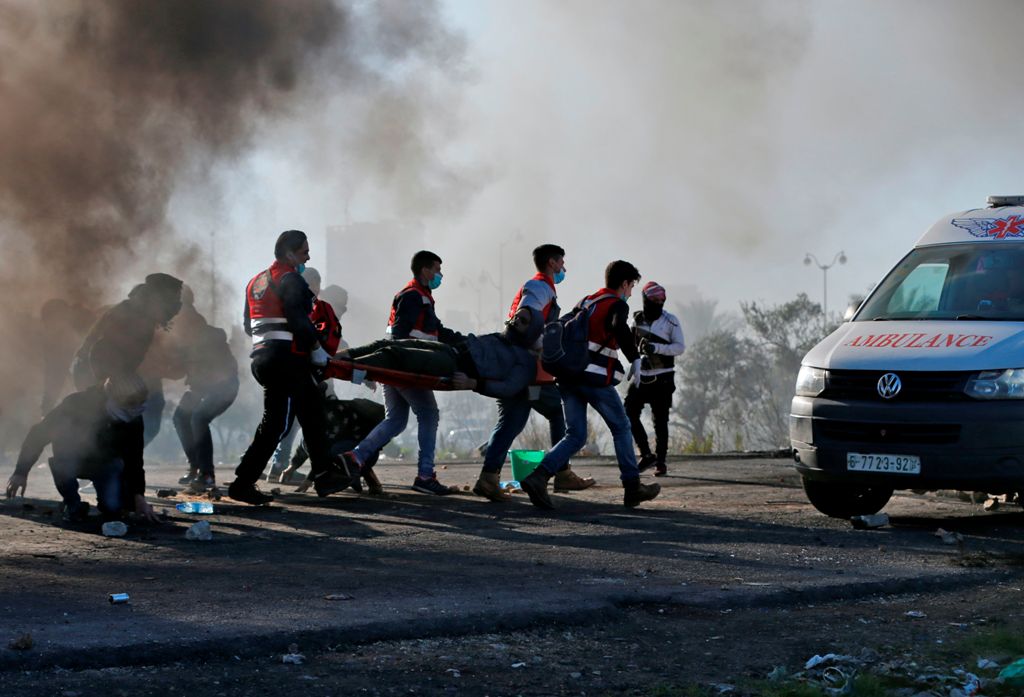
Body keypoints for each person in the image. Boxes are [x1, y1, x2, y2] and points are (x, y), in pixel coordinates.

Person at [519, 260, 661, 509]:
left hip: (567, 377)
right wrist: (635, 359)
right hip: (594, 377)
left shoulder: (587, 301)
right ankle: (632, 486)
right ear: (624, 283)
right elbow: (619, 327)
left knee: (575, 435)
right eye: (631, 287)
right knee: (621, 427)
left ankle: (537, 476)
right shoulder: (616, 304)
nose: (630, 293)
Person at [230, 230, 352, 505]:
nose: (307, 256)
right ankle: (324, 475)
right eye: (303, 251)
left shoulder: (255, 281)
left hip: (263, 359)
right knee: (312, 412)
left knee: (274, 424)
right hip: (288, 358)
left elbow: (250, 325)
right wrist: (316, 348)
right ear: (289, 254)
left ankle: (243, 482)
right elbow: (299, 319)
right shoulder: (290, 278)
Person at [474, 244, 594, 503]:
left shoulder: (542, 288)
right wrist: (546, 348)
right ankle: (560, 472)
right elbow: (525, 322)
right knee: (551, 415)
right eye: (561, 261)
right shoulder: (539, 287)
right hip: (528, 370)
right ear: (552, 262)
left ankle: (489, 478)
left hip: (527, 369)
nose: (564, 267)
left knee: (513, 422)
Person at [340, 250, 464, 495]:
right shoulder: (412, 297)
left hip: (397, 367)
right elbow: (399, 335)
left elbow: (436, 331)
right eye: (437, 270)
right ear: (425, 270)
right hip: (408, 367)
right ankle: (425, 475)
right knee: (428, 414)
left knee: (396, 420)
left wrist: (464, 341)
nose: (440, 275)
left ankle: (355, 457)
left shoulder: (421, 297)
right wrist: (407, 365)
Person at [5, 375, 159, 524]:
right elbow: (38, 435)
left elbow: (134, 459)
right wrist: (21, 471)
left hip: (106, 465)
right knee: (65, 466)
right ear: (110, 398)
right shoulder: (75, 405)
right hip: (70, 460)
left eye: (140, 403)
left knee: (115, 509)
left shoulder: (134, 417)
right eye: (129, 404)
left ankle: (110, 502)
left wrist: (139, 497)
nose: (135, 409)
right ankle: (71, 502)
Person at [71, 273, 184, 391]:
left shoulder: (141, 314)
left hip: (95, 375)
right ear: (158, 299)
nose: (176, 306)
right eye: (173, 300)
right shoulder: (133, 319)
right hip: (92, 376)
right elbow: (100, 352)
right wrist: (114, 384)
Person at [172, 313, 240, 492]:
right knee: (180, 417)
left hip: (224, 386)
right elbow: (177, 371)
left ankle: (207, 474)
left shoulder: (211, 338)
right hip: (200, 387)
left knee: (199, 418)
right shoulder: (184, 341)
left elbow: (217, 370)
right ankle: (196, 467)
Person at [625, 282, 685, 477]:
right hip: (642, 376)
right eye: (654, 300)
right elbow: (632, 346)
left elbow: (679, 347)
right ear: (645, 300)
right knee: (628, 413)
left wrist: (656, 348)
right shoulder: (637, 320)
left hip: (663, 377)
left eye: (661, 301)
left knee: (660, 421)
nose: (658, 303)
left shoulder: (670, 321)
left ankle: (660, 461)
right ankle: (646, 454)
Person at [39, 299, 95, 415]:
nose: (50, 329)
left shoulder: (93, 327)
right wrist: (47, 407)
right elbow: (54, 374)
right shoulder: (55, 341)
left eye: (51, 323)